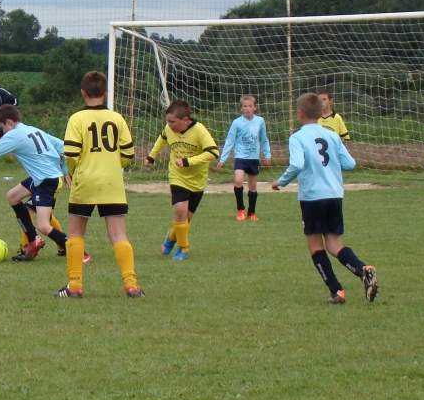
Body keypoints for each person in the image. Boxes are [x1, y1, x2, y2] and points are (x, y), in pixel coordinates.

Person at [272, 93, 379, 304]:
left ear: (299, 113)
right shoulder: (332, 135)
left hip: (312, 197)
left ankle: (337, 291)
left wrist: (280, 182)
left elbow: (297, 164)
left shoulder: (297, 137)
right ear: (321, 113)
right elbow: (350, 164)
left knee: (315, 245)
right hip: (334, 194)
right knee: (334, 244)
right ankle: (363, 270)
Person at [58, 71, 143, 298]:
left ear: (83, 93)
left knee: (75, 234)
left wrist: (74, 172)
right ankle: (132, 286)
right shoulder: (117, 119)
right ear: (105, 93)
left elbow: (71, 154)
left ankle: (74, 286)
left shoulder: (76, 119)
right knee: (119, 235)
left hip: (84, 181)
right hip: (111, 183)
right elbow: (128, 154)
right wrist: (115, 165)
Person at [0, 104, 70, 262]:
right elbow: (61, 145)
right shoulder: (31, 129)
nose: (3, 131)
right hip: (43, 177)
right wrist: (63, 168)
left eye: (2, 127)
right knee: (13, 196)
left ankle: (76, 249)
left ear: (9, 122)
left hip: (46, 181)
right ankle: (34, 240)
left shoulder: (14, 135)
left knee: (43, 225)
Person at [145, 100, 219, 261]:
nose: (169, 125)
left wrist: (188, 161)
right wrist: (151, 156)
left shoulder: (199, 130)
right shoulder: (168, 129)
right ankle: (184, 248)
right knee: (180, 211)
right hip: (177, 176)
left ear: (185, 120)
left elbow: (213, 153)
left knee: (185, 219)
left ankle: (171, 238)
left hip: (198, 180)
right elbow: (162, 139)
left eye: (172, 122)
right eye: (167, 121)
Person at [218, 94, 272, 222]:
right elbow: (230, 141)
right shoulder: (237, 123)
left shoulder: (260, 121)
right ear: (241, 108)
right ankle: (240, 210)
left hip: (253, 158)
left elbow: (264, 139)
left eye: (250, 106)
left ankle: (252, 212)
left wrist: (267, 154)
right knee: (238, 180)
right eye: (245, 106)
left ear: (255, 108)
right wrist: (222, 159)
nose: (247, 108)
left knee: (253, 187)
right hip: (240, 157)